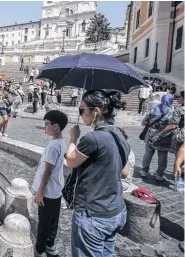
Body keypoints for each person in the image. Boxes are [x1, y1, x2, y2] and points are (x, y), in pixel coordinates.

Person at [64, 90, 130, 256]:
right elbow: (125, 172)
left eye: (82, 110)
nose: (80, 114)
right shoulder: (120, 134)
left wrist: (73, 138)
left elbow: (71, 160)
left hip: (93, 214)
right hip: (115, 210)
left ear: (97, 111)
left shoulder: (93, 138)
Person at [32, 110, 68, 257]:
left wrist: (40, 192)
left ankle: (40, 248)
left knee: (44, 222)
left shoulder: (53, 146)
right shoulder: (60, 142)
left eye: (46, 124)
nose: (44, 127)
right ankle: (50, 244)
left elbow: (47, 172)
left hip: (47, 190)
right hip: (56, 189)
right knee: (53, 219)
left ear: (56, 126)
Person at [140, 94, 175, 180]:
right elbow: (172, 125)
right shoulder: (171, 112)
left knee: (148, 153)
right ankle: (159, 174)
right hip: (164, 135)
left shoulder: (154, 109)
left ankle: (144, 171)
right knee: (163, 155)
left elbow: (144, 122)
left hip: (151, 134)